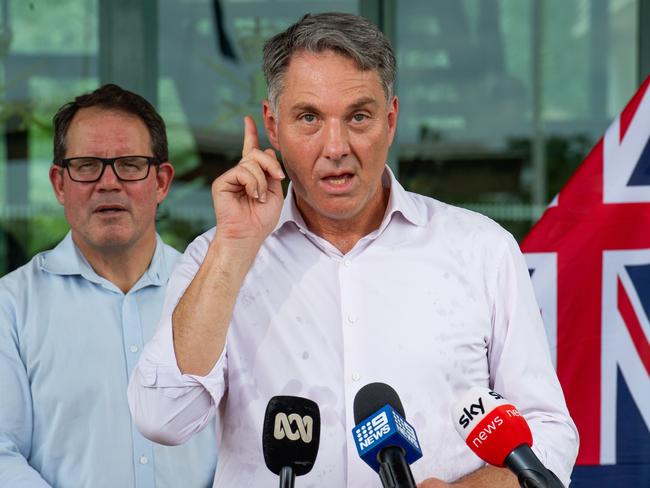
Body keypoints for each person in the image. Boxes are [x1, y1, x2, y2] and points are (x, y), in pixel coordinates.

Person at [128, 13, 579, 487]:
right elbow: (162, 417)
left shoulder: (481, 250)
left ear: (390, 120)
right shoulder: (215, 257)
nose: (336, 146)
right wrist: (234, 249)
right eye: (309, 118)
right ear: (272, 126)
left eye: (358, 116)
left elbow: (548, 433)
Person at [0, 84, 216, 487]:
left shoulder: (212, 293)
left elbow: (246, 440)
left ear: (162, 182)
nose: (108, 183)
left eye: (130, 164)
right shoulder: (11, 307)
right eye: (86, 165)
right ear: (60, 184)